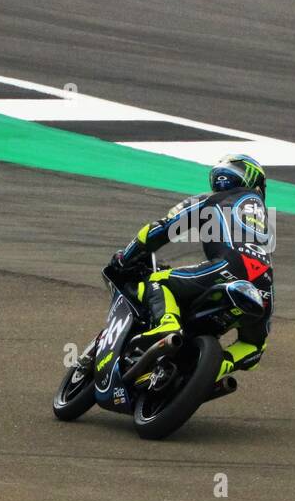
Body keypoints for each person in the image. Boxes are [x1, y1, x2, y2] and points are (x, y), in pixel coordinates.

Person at [109, 154, 273, 380]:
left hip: (228, 266)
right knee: (255, 345)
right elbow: (254, 353)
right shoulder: (260, 213)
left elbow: (161, 229)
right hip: (264, 280)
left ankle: (167, 324)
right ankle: (216, 369)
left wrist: (126, 256)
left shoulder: (212, 200)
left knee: (157, 280)